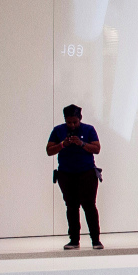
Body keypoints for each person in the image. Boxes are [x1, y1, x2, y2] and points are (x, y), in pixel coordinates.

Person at [47, 104, 103, 250]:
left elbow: (97, 149)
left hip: (87, 173)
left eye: (75, 122)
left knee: (89, 206)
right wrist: (63, 144)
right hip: (66, 174)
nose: (72, 125)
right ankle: (74, 240)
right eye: (69, 122)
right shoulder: (58, 130)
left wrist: (82, 143)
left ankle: (96, 240)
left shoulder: (89, 129)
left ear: (80, 119)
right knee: (71, 207)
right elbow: (49, 150)